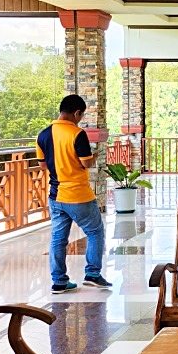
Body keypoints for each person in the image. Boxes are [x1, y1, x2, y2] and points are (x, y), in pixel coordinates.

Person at [36, 94, 110, 294]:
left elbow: (42, 165)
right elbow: (86, 163)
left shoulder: (43, 134)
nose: (80, 119)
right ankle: (93, 274)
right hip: (78, 194)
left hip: (55, 196)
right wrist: (93, 157)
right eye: (81, 115)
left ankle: (59, 281)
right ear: (77, 113)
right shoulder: (77, 134)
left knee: (58, 239)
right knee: (95, 232)